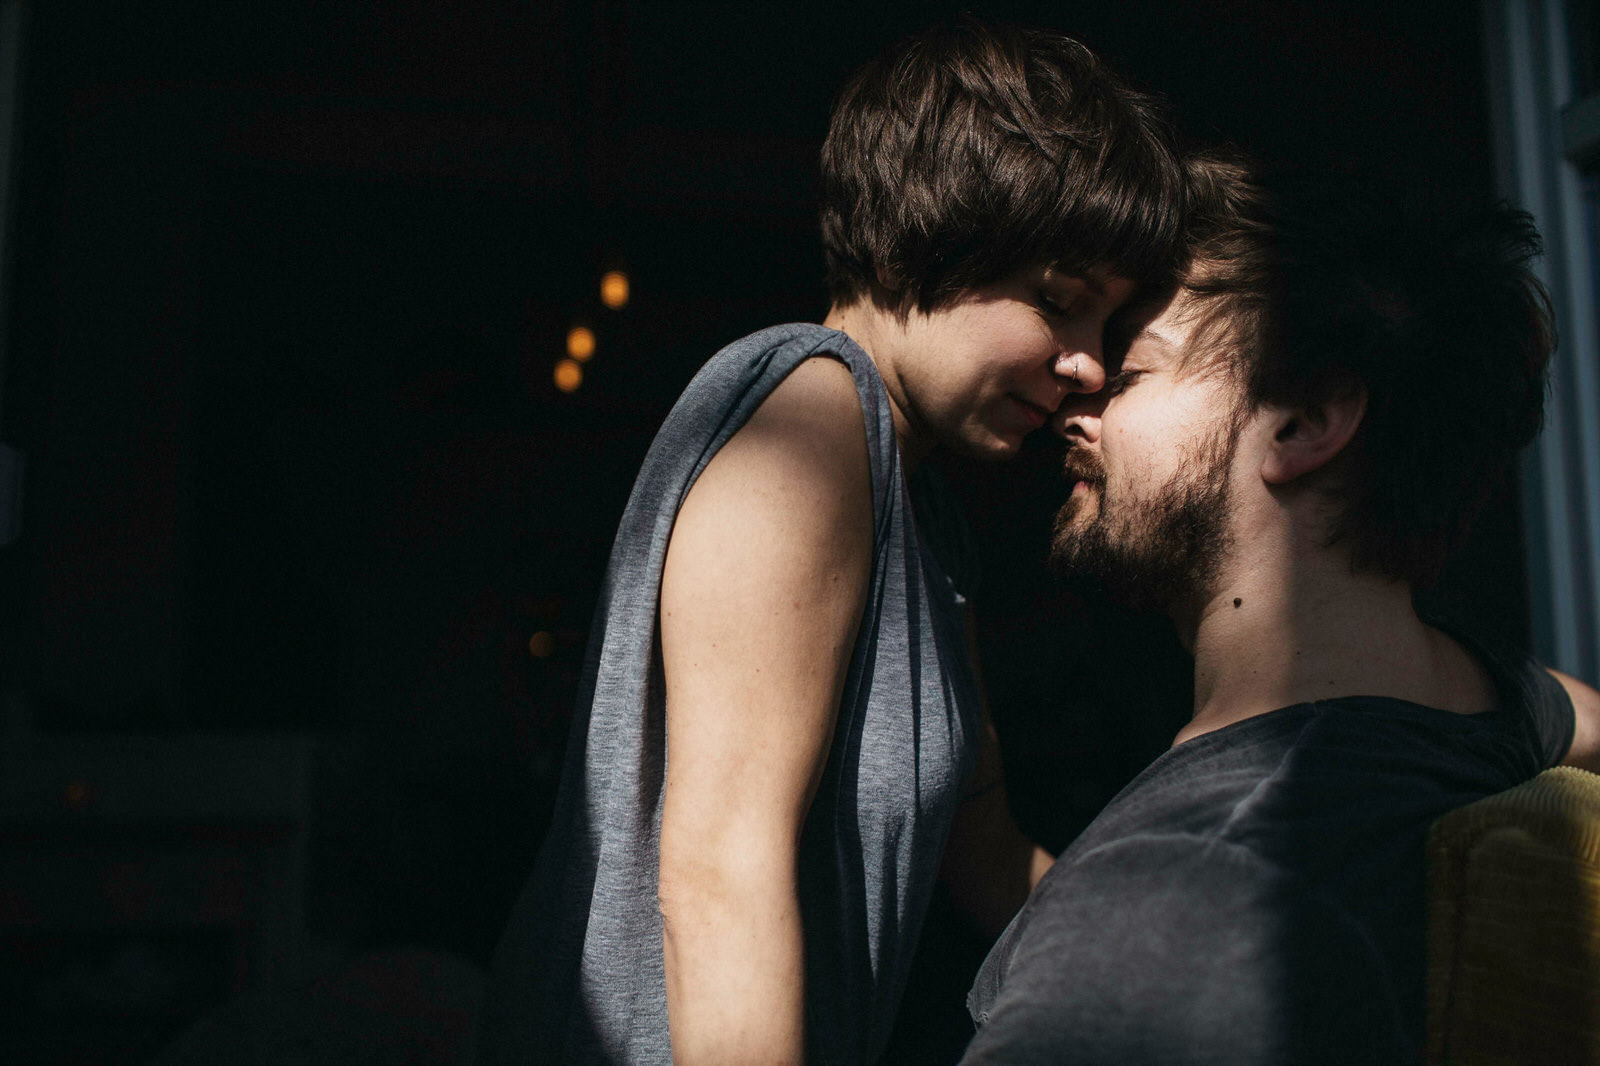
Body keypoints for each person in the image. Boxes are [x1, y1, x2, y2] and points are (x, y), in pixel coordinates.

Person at [472, 21, 1188, 1066]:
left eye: (1108, 328)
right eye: (1057, 302)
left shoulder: (925, 512)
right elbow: (719, 873)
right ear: (926, 237)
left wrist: (1204, 953)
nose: (1086, 364)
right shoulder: (810, 413)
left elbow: (986, 858)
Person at [960, 159, 1600, 1064]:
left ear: (1302, 424)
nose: (1079, 398)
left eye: (1133, 371)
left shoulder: (1188, 888)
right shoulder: (1476, 705)